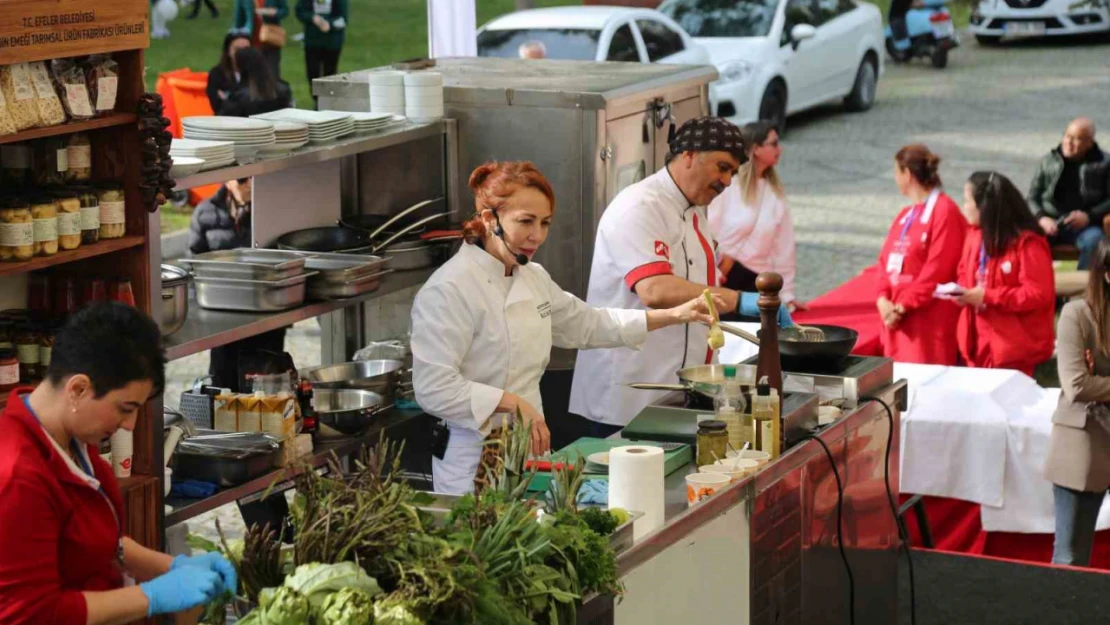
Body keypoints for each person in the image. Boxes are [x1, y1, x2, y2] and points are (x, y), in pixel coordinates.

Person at [411, 161, 722, 495]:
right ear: (490, 220)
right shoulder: (449, 289)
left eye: (545, 223)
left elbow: (588, 325)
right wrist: (514, 403)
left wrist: (676, 314)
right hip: (470, 459)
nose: (537, 236)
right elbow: (433, 388)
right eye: (525, 222)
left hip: (531, 450)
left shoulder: (533, 277)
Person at [0, 303, 237, 623]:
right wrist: (151, 596)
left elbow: (93, 543)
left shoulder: (69, 439)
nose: (129, 424)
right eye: (125, 408)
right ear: (78, 389)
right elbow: (33, 614)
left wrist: (173, 567)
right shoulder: (18, 479)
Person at [569, 116, 793, 436]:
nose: (727, 181)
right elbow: (655, 289)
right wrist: (742, 302)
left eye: (732, 172)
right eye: (722, 167)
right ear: (688, 155)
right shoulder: (640, 206)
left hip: (675, 389)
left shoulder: (695, 210)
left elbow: (707, 273)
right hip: (628, 393)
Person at [1045, 238, 1110, 566]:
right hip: (1083, 442)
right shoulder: (1076, 314)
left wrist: (1098, 379)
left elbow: (1090, 384)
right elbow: (1077, 384)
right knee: (1071, 555)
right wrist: (1090, 381)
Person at [953, 171, 1055, 376]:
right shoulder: (975, 235)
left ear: (984, 206)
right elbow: (964, 272)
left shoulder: (1027, 244)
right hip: (977, 345)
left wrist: (988, 296)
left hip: (1013, 350)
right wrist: (960, 292)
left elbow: (1037, 294)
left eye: (967, 201)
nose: (964, 207)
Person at [876, 144, 967, 365]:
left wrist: (903, 306)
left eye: (896, 172)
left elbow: (938, 269)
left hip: (926, 324)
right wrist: (882, 299)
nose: (895, 178)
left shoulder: (945, 211)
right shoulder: (905, 215)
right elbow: (884, 262)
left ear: (907, 174)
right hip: (898, 322)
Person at [709, 120, 806, 317]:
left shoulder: (775, 193)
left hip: (759, 283)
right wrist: (716, 269)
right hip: (725, 280)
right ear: (756, 149)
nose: (779, 149)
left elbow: (784, 246)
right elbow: (709, 229)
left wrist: (786, 293)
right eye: (774, 143)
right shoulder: (730, 186)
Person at [1030, 117, 1110, 270]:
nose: (1068, 142)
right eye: (1067, 136)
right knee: (1029, 240)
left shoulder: (1105, 163)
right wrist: (1041, 218)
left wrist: (1089, 216)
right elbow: (1032, 197)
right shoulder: (1048, 161)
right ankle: (1046, 290)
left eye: (1076, 139)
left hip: (1085, 226)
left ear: (1089, 143)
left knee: (1095, 242)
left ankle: (1083, 290)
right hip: (1050, 222)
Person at [296, 0, 348, 108]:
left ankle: (328, 101)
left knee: (330, 73)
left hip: (332, 42)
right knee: (312, 72)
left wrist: (329, 24)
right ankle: (317, 100)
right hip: (312, 41)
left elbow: (343, 19)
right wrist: (312, 17)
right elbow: (300, 10)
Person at [216, 47, 294, 117]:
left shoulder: (238, 96)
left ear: (240, 67)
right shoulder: (283, 90)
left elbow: (223, 121)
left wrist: (224, 101)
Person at [206, 32, 252, 113]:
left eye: (246, 49)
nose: (242, 53)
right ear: (228, 51)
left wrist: (227, 99)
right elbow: (217, 107)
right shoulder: (216, 74)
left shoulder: (257, 73)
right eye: (237, 49)